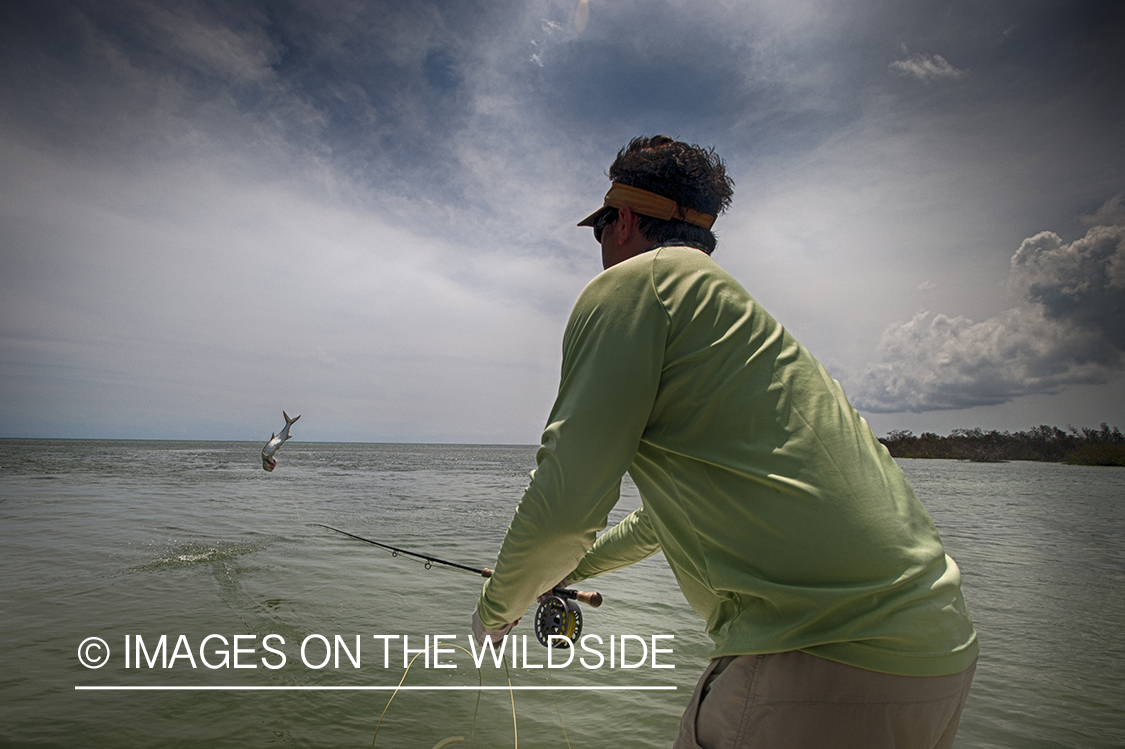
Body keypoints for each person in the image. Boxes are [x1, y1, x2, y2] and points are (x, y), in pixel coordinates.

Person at [472, 135, 978, 748]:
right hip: (936, 652)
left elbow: (567, 501)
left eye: (600, 227)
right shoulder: (730, 316)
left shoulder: (635, 285)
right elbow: (658, 524)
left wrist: (495, 611)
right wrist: (562, 571)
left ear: (624, 219)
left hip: (822, 653)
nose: (601, 247)